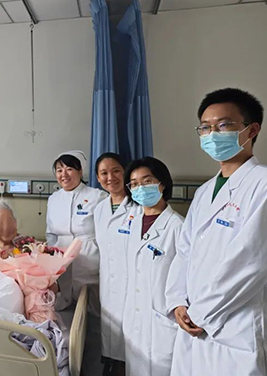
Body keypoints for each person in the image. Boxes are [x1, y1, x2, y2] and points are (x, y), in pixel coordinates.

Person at [165, 88, 267, 376]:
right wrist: (177, 301)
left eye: (223, 125)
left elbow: (251, 262)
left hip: (233, 326)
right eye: (205, 128)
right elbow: (184, 251)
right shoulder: (204, 192)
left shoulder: (262, 184)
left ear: (251, 130)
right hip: (192, 320)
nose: (212, 134)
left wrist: (201, 312)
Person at [46, 150, 107, 375]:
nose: (64, 174)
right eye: (59, 170)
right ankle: (67, 366)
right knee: (65, 319)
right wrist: (51, 263)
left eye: (69, 168)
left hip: (89, 264)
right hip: (61, 265)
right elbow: (50, 234)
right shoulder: (53, 199)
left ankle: (94, 369)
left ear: (80, 171)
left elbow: (105, 234)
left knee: (93, 321)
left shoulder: (97, 197)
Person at [122, 157, 183, 376]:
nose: (140, 188)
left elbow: (185, 279)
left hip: (162, 324)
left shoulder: (177, 226)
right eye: (134, 184)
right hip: (135, 320)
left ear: (162, 184)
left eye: (147, 181)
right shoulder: (132, 223)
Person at [93, 153, 142, 376]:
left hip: (133, 285)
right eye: (104, 173)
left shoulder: (138, 207)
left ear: (125, 173)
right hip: (108, 284)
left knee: (131, 343)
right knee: (111, 339)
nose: (110, 177)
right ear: (97, 178)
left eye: (116, 171)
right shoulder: (99, 209)